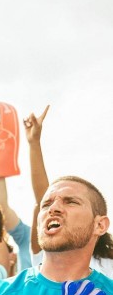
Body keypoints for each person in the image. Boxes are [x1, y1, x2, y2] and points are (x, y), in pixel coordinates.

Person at [24, 105, 113, 277]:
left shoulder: (108, 267)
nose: (53, 208)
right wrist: (34, 143)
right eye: (47, 204)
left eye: (71, 201)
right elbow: (42, 196)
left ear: (100, 224)